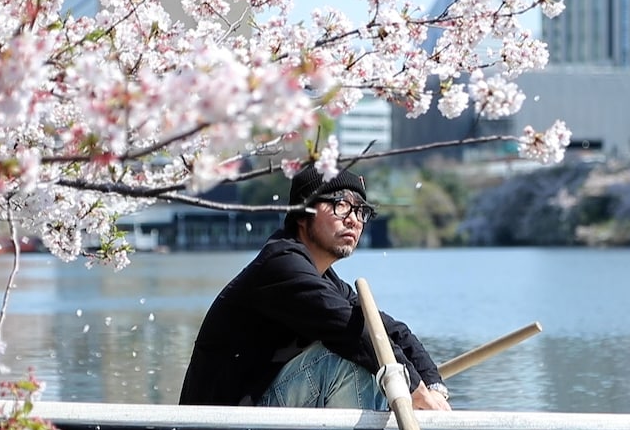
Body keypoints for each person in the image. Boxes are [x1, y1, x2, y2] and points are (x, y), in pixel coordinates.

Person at [178, 164, 452, 411]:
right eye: (341, 205)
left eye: (360, 211)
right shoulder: (281, 267)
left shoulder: (324, 278)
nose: (354, 219)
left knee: (375, 356)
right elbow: (355, 333)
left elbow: (390, 330)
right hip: (222, 422)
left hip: (259, 412)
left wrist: (432, 388)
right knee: (348, 361)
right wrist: (414, 388)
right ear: (302, 213)